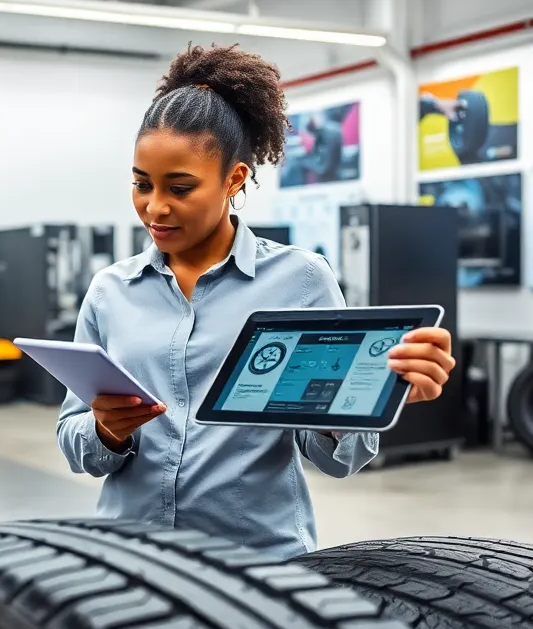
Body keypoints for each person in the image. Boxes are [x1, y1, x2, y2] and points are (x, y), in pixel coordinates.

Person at [56, 44, 456, 560]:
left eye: (180, 188)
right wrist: (105, 432)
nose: (154, 207)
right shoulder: (110, 291)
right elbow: (73, 439)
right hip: (134, 560)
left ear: (234, 179)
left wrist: (372, 396)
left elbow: (339, 458)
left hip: (256, 566)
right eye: (141, 184)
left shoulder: (300, 281)